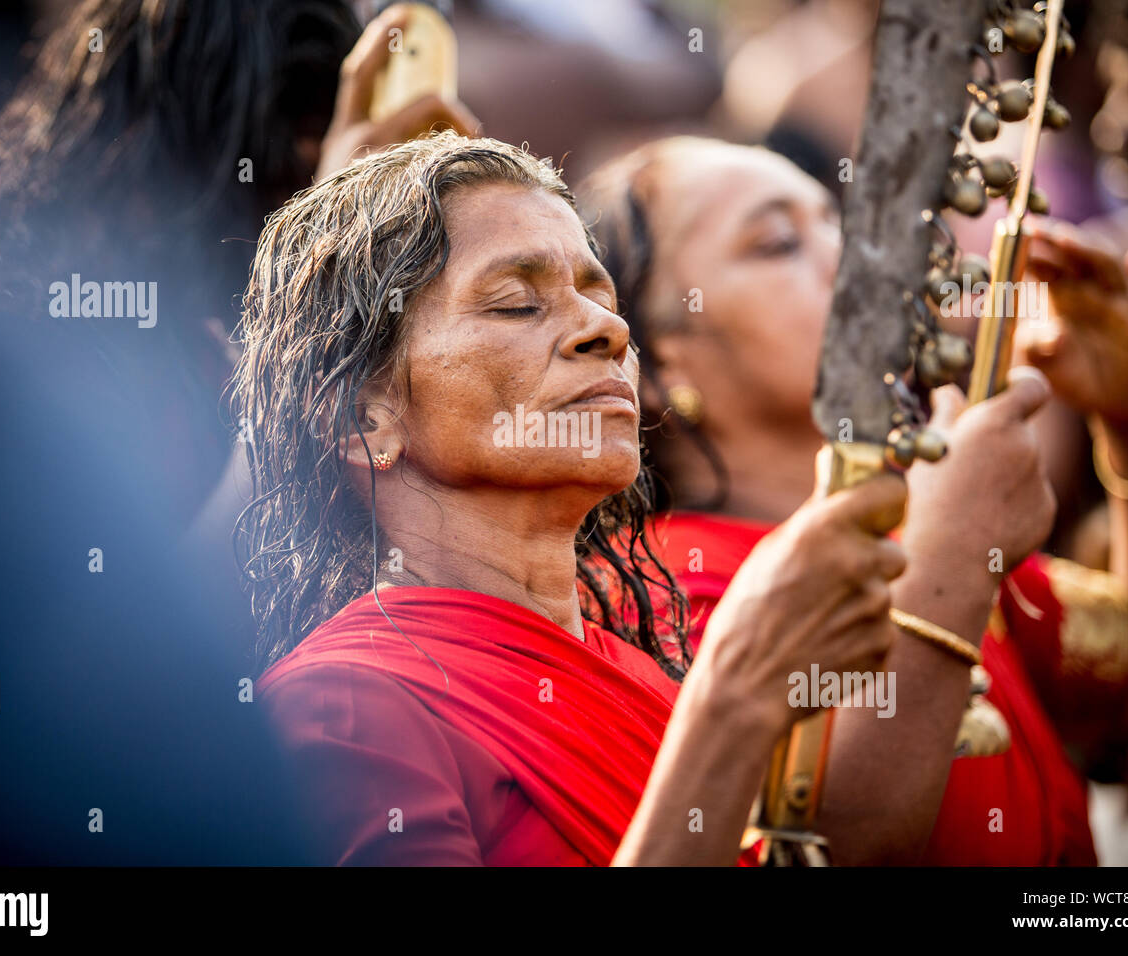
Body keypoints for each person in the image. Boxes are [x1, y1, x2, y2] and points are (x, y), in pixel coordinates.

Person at [234, 131, 911, 866]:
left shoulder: (646, 678)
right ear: (362, 416)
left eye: (601, 296)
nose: (607, 330)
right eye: (517, 304)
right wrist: (733, 706)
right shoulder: (343, 712)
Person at [578, 135, 1128, 865]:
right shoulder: (648, 595)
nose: (863, 259)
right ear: (650, 363)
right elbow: (832, 848)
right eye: (777, 244)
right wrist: (954, 559)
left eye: (837, 222)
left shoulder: (921, 524)